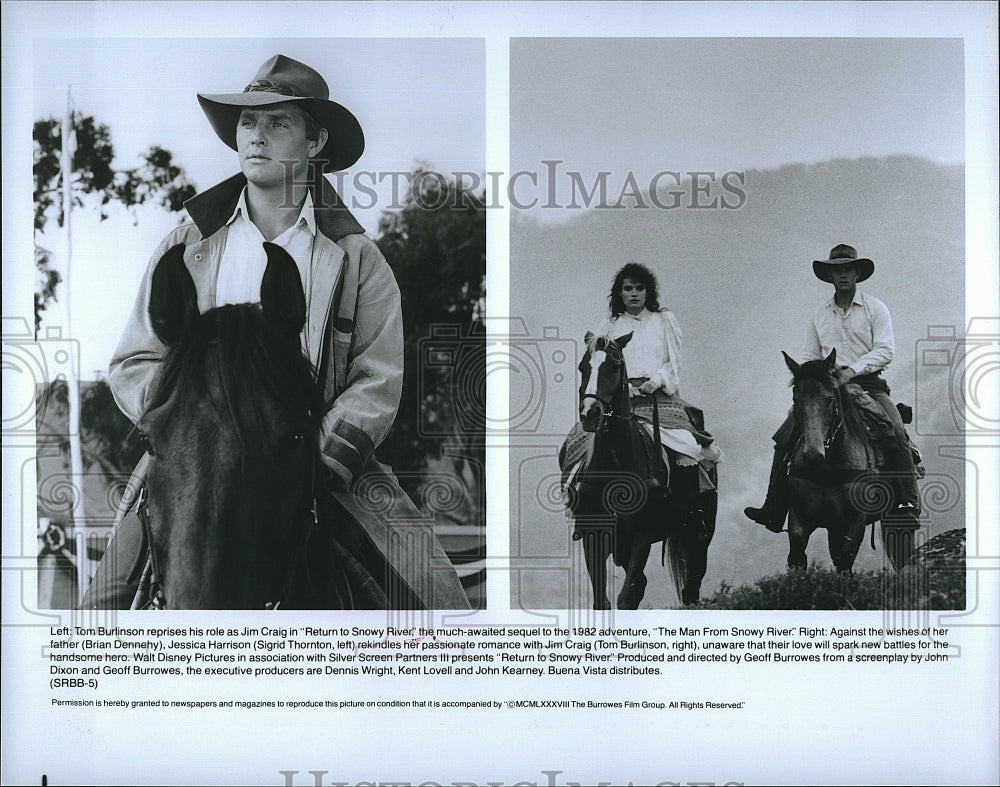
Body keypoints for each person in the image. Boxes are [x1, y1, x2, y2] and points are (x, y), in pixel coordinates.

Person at [81, 54, 468, 609]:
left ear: (315, 143)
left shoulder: (359, 259)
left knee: (438, 595)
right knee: (96, 612)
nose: (256, 137)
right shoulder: (184, 244)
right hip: (195, 465)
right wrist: (186, 427)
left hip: (321, 460)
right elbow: (135, 360)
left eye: (277, 122)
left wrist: (319, 455)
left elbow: (377, 379)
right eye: (247, 122)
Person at [744, 244, 921, 532]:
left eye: (847, 269)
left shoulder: (876, 308)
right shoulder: (820, 314)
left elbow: (885, 350)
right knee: (786, 436)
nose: (842, 275)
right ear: (829, 276)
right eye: (836, 270)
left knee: (896, 429)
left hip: (868, 384)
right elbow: (809, 355)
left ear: (857, 273)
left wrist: (851, 371)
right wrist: (812, 379)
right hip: (826, 387)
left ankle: (907, 502)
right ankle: (773, 506)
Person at [594, 263, 720, 532]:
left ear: (648, 291)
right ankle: (589, 508)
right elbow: (601, 363)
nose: (634, 294)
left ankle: (690, 512)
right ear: (620, 293)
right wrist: (620, 388)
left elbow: (673, 360)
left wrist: (656, 381)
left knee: (686, 445)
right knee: (589, 443)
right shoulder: (609, 325)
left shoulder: (663, 320)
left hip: (658, 399)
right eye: (628, 288)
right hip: (621, 401)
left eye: (640, 288)